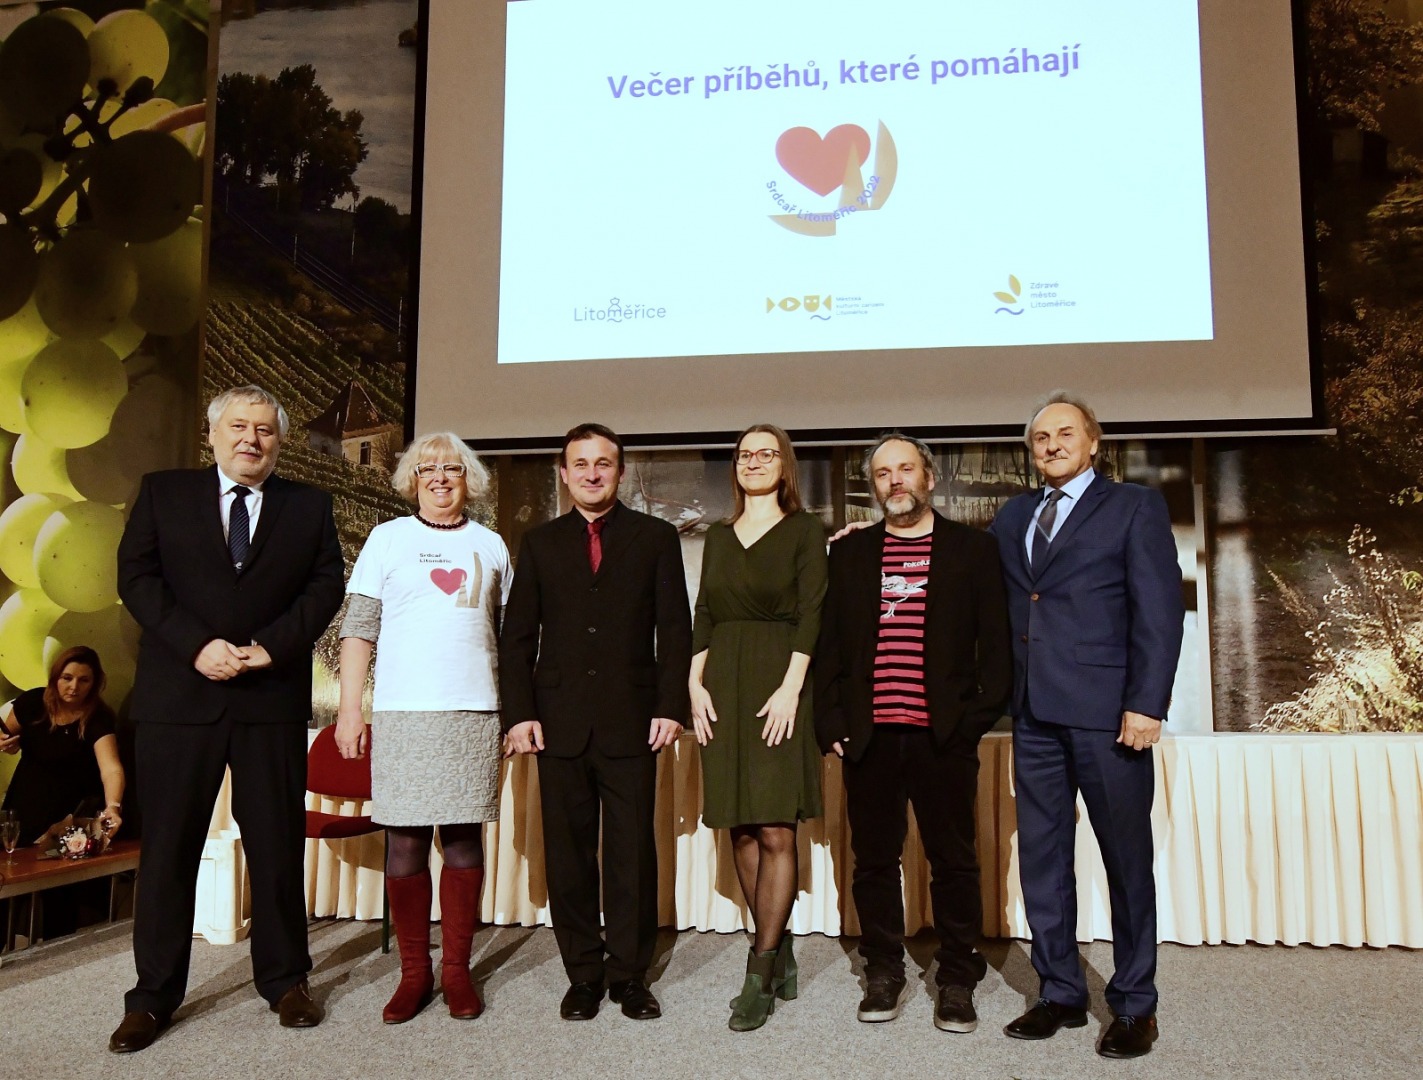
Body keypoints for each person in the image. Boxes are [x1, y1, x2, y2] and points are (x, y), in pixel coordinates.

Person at [109, 385, 344, 1054]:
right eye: (238, 426)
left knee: (275, 846)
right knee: (168, 853)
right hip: (178, 701)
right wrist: (196, 646)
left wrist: (270, 647)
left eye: (264, 430)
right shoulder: (163, 493)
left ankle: (286, 982)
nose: (251, 439)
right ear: (212, 435)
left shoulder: (309, 505)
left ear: (280, 441)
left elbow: (325, 585)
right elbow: (137, 578)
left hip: (269, 699)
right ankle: (152, 997)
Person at [989, 391, 1183, 1060]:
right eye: (1040, 437)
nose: (1051, 445)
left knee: (1126, 861)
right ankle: (1061, 993)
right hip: (1033, 715)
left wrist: (1147, 703)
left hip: (1109, 717)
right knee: (1043, 862)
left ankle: (1134, 1005)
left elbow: (1158, 611)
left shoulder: (1133, 506)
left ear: (1093, 442)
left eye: (1064, 433)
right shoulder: (1013, 515)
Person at [815, 433, 1010, 1032]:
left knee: (954, 861)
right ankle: (883, 970)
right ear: (874, 487)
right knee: (873, 861)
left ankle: (956, 977)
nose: (894, 480)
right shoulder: (850, 553)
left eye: (905, 469)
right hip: (870, 737)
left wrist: (969, 724)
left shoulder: (974, 551)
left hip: (942, 738)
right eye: (882, 473)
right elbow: (829, 647)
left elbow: (997, 652)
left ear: (929, 477)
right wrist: (832, 722)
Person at [499, 422, 692, 1022]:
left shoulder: (656, 537)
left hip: (633, 720)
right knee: (568, 855)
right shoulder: (539, 542)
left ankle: (629, 975)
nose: (591, 473)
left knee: (632, 853)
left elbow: (675, 629)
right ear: (564, 473)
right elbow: (516, 637)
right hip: (556, 723)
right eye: (579, 463)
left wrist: (670, 706)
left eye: (603, 463)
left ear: (620, 472)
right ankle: (582, 974)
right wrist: (520, 714)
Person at [334, 433, 511, 1024]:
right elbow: (358, 627)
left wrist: (514, 714)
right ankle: (414, 974)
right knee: (405, 842)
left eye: (451, 468)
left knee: (462, 841)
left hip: (474, 711)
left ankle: (457, 971)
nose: (439, 477)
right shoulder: (387, 539)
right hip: (404, 713)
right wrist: (351, 709)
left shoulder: (491, 544)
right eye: (427, 468)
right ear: (412, 479)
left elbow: (511, 636)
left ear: (469, 479)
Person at [688, 423, 826, 1031]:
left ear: (784, 465)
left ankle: (760, 969)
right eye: (745, 454)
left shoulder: (804, 530)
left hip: (780, 681)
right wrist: (694, 684)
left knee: (774, 825)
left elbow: (813, 611)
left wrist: (792, 687)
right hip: (722, 684)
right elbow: (705, 611)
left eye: (766, 454)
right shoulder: (719, 536)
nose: (753, 462)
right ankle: (778, 948)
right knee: (739, 825)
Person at [0, 646, 125, 846]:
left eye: (84, 680)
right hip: (26, 800)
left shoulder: (98, 718)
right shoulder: (33, 702)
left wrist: (113, 806)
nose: (74, 687)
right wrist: (5, 743)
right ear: (55, 677)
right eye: (67, 678)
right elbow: (7, 738)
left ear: (94, 683)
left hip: (69, 812)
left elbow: (111, 768)